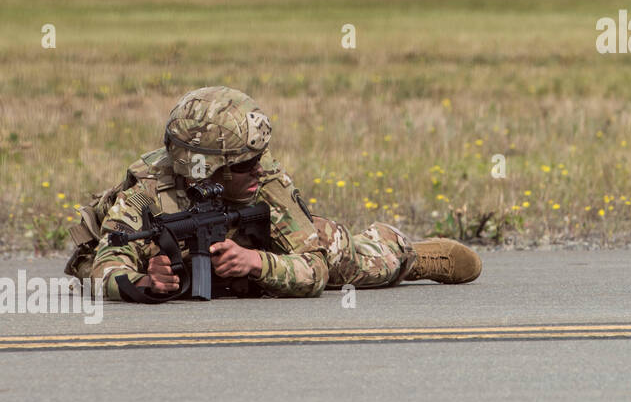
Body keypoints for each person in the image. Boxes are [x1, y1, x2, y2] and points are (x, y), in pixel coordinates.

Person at [65, 86, 481, 301]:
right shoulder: (147, 193)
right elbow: (105, 268)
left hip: (270, 252)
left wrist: (256, 263)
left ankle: (412, 254)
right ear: (207, 168)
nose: (259, 169)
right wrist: (145, 282)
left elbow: (313, 269)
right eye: (244, 164)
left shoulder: (267, 184)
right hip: (175, 263)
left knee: (342, 260)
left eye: (259, 158)